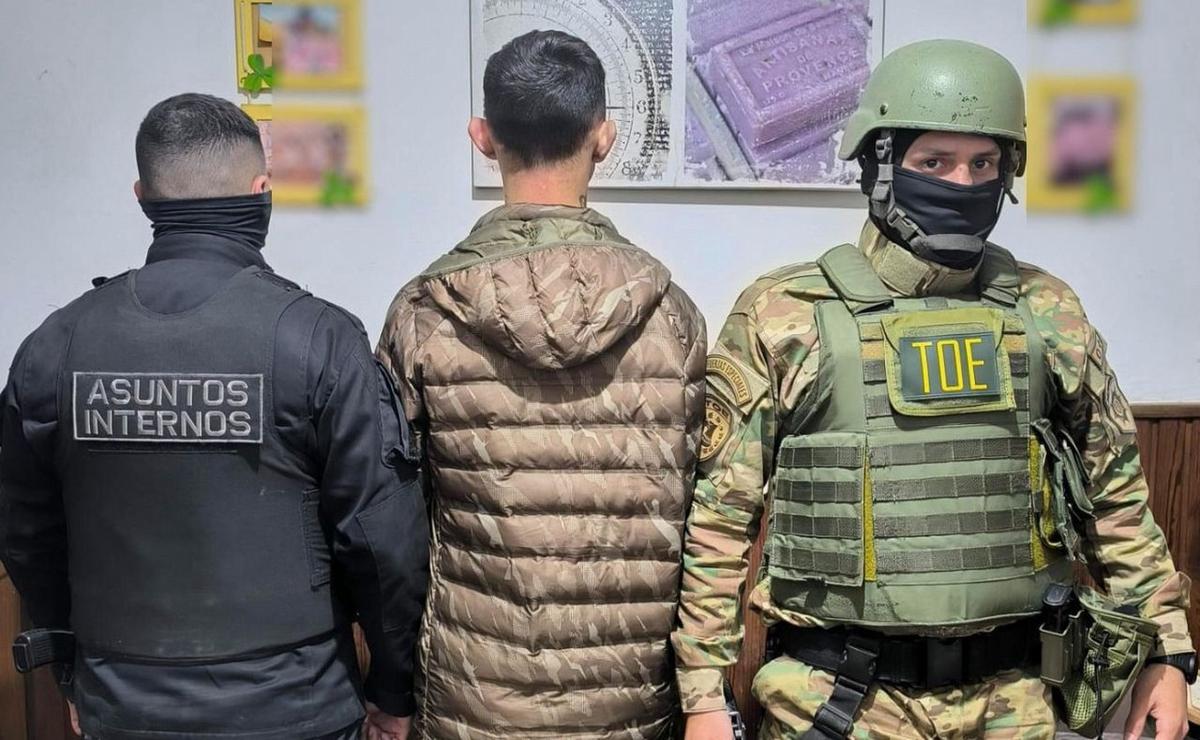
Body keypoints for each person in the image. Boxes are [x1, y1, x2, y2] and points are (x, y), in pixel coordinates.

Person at [672, 40, 1195, 740]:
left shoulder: (1046, 312)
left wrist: (1167, 653)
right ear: (881, 165)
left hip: (1016, 701)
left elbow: (1116, 496)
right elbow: (719, 521)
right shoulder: (785, 313)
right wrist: (704, 696)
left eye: (983, 164)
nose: (962, 182)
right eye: (935, 162)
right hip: (838, 702)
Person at [0, 93, 429, 740]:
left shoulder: (53, 348)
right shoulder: (319, 340)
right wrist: (393, 692)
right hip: (297, 710)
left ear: (142, 196)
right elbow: (381, 539)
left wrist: (74, 676)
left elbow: (27, 535)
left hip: (122, 708)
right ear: (261, 193)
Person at [375, 30, 706, 740]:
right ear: (605, 138)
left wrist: (392, 691)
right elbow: (698, 520)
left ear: (482, 138)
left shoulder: (423, 314)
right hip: (629, 708)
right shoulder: (673, 317)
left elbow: (395, 534)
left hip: (471, 704)